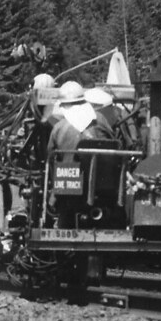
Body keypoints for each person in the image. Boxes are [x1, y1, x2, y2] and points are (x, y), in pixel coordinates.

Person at [46, 81, 98, 227]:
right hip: (103, 185)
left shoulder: (58, 128)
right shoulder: (101, 122)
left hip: (68, 185)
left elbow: (50, 157)